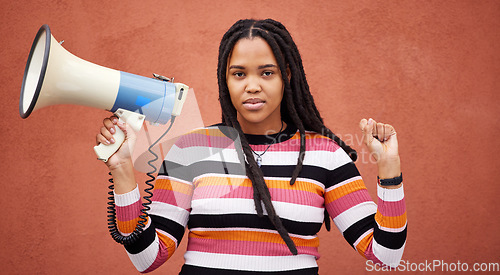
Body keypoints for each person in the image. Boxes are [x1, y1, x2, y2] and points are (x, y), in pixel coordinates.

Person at [96, 19, 406, 274]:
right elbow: (148, 257)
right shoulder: (191, 149)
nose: (252, 85)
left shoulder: (325, 155)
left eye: (267, 72)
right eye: (239, 74)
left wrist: (389, 167)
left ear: (286, 76)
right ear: (225, 80)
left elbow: (386, 255)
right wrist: (122, 169)